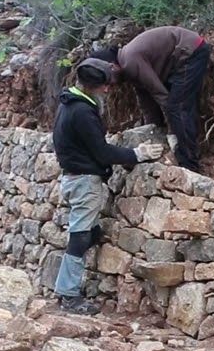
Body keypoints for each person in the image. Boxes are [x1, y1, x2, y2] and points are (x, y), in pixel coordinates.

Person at [52, 57, 164, 315]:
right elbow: (102, 152)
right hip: (84, 181)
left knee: (88, 232)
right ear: (93, 86)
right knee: (80, 236)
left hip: (73, 177)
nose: (108, 90)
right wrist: (137, 154)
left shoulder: (69, 103)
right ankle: (69, 294)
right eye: (105, 86)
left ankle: (89, 246)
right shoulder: (82, 112)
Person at [91, 26, 211, 172]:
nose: (108, 87)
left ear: (112, 66)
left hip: (191, 52)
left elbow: (160, 94)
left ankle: (189, 165)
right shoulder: (128, 66)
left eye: (107, 81)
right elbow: (147, 101)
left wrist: (172, 134)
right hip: (178, 58)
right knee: (175, 106)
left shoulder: (130, 61)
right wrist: (151, 131)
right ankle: (183, 150)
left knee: (177, 107)